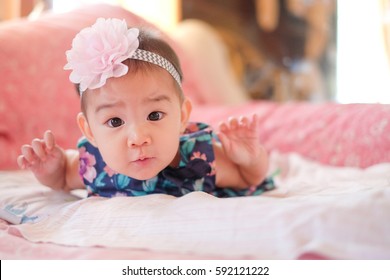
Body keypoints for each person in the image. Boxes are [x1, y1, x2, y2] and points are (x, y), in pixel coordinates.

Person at [17, 18, 274, 198]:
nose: (138, 138)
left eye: (154, 115)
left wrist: (250, 159)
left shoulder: (199, 158)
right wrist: (51, 170)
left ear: (182, 115)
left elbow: (251, 178)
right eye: (115, 121)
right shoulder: (94, 164)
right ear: (90, 131)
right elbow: (62, 180)